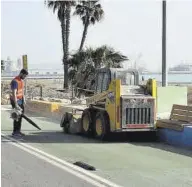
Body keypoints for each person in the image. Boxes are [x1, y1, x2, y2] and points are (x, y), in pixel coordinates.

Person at [10, 69, 28, 137]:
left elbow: (21, 91)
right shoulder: (15, 81)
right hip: (15, 101)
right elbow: (14, 93)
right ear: (21, 73)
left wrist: (24, 99)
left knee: (20, 116)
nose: (25, 77)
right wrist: (16, 104)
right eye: (24, 75)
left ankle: (18, 131)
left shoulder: (21, 81)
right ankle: (15, 132)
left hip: (21, 100)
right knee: (16, 116)